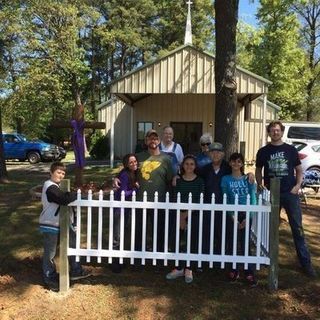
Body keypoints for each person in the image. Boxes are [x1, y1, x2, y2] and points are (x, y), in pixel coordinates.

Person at [255, 120, 317, 278]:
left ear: (282, 132)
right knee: (271, 229)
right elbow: (258, 169)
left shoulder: (290, 150)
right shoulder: (263, 151)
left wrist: (297, 186)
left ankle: (305, 263)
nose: (275, 133)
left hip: (290, 194)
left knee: (297, 228)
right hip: (272, 194)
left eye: (278, 130)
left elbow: (299, 170)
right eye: (272, 130)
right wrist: (260, 184)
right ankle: (268, 259)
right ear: (268, 133)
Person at [39, 162, 90, 291]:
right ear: (51, 172)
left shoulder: (57, 186)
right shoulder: (49, 186)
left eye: (63, 173)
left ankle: (75, 270)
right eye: (58, 172)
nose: (61, 175)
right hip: (50, 224)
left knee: (72, 244)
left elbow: (65, 196)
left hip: (62, 223)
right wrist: (76, 194)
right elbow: (62, 198)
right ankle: (49, 278)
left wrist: (71, 194)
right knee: (50, 253)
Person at [166, 155, 204, 283]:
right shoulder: (178, 180)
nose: (189, 166)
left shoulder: (200, 181)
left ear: (195, 166)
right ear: (182, 166)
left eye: (192, 164)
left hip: (194, 215)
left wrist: (186, 214)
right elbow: (174, 198)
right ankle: (178, 267)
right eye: (186, 164)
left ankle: (188, 268)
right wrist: (181, 215)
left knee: (191, 241)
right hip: (178, 214)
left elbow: (200, 200)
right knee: (175, 240)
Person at [221, 152, 257, 287]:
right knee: (232, 242)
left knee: (245, 242)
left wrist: (248, 217)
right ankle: (233, 269)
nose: (236, 164)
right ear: (230, 163)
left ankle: (248, 271)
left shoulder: (248, 178)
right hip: (232, 214)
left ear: (242, 164)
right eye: (233, 161)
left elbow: (253, 197)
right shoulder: (225, 179)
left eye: (239, 162)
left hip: (246, 213)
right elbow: (225, 198)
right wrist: (233, 217)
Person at [112, 153, 139, 273]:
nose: (134, 164)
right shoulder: (124, 175)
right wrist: (135, 189)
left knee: (123, 235)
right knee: (117, 236)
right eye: (131, 162)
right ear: (126, 165)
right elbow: (123, 193)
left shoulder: (134, 173)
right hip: (120, 209)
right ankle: (115, 263)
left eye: (135, 161)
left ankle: (120, 259)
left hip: (127, 209)